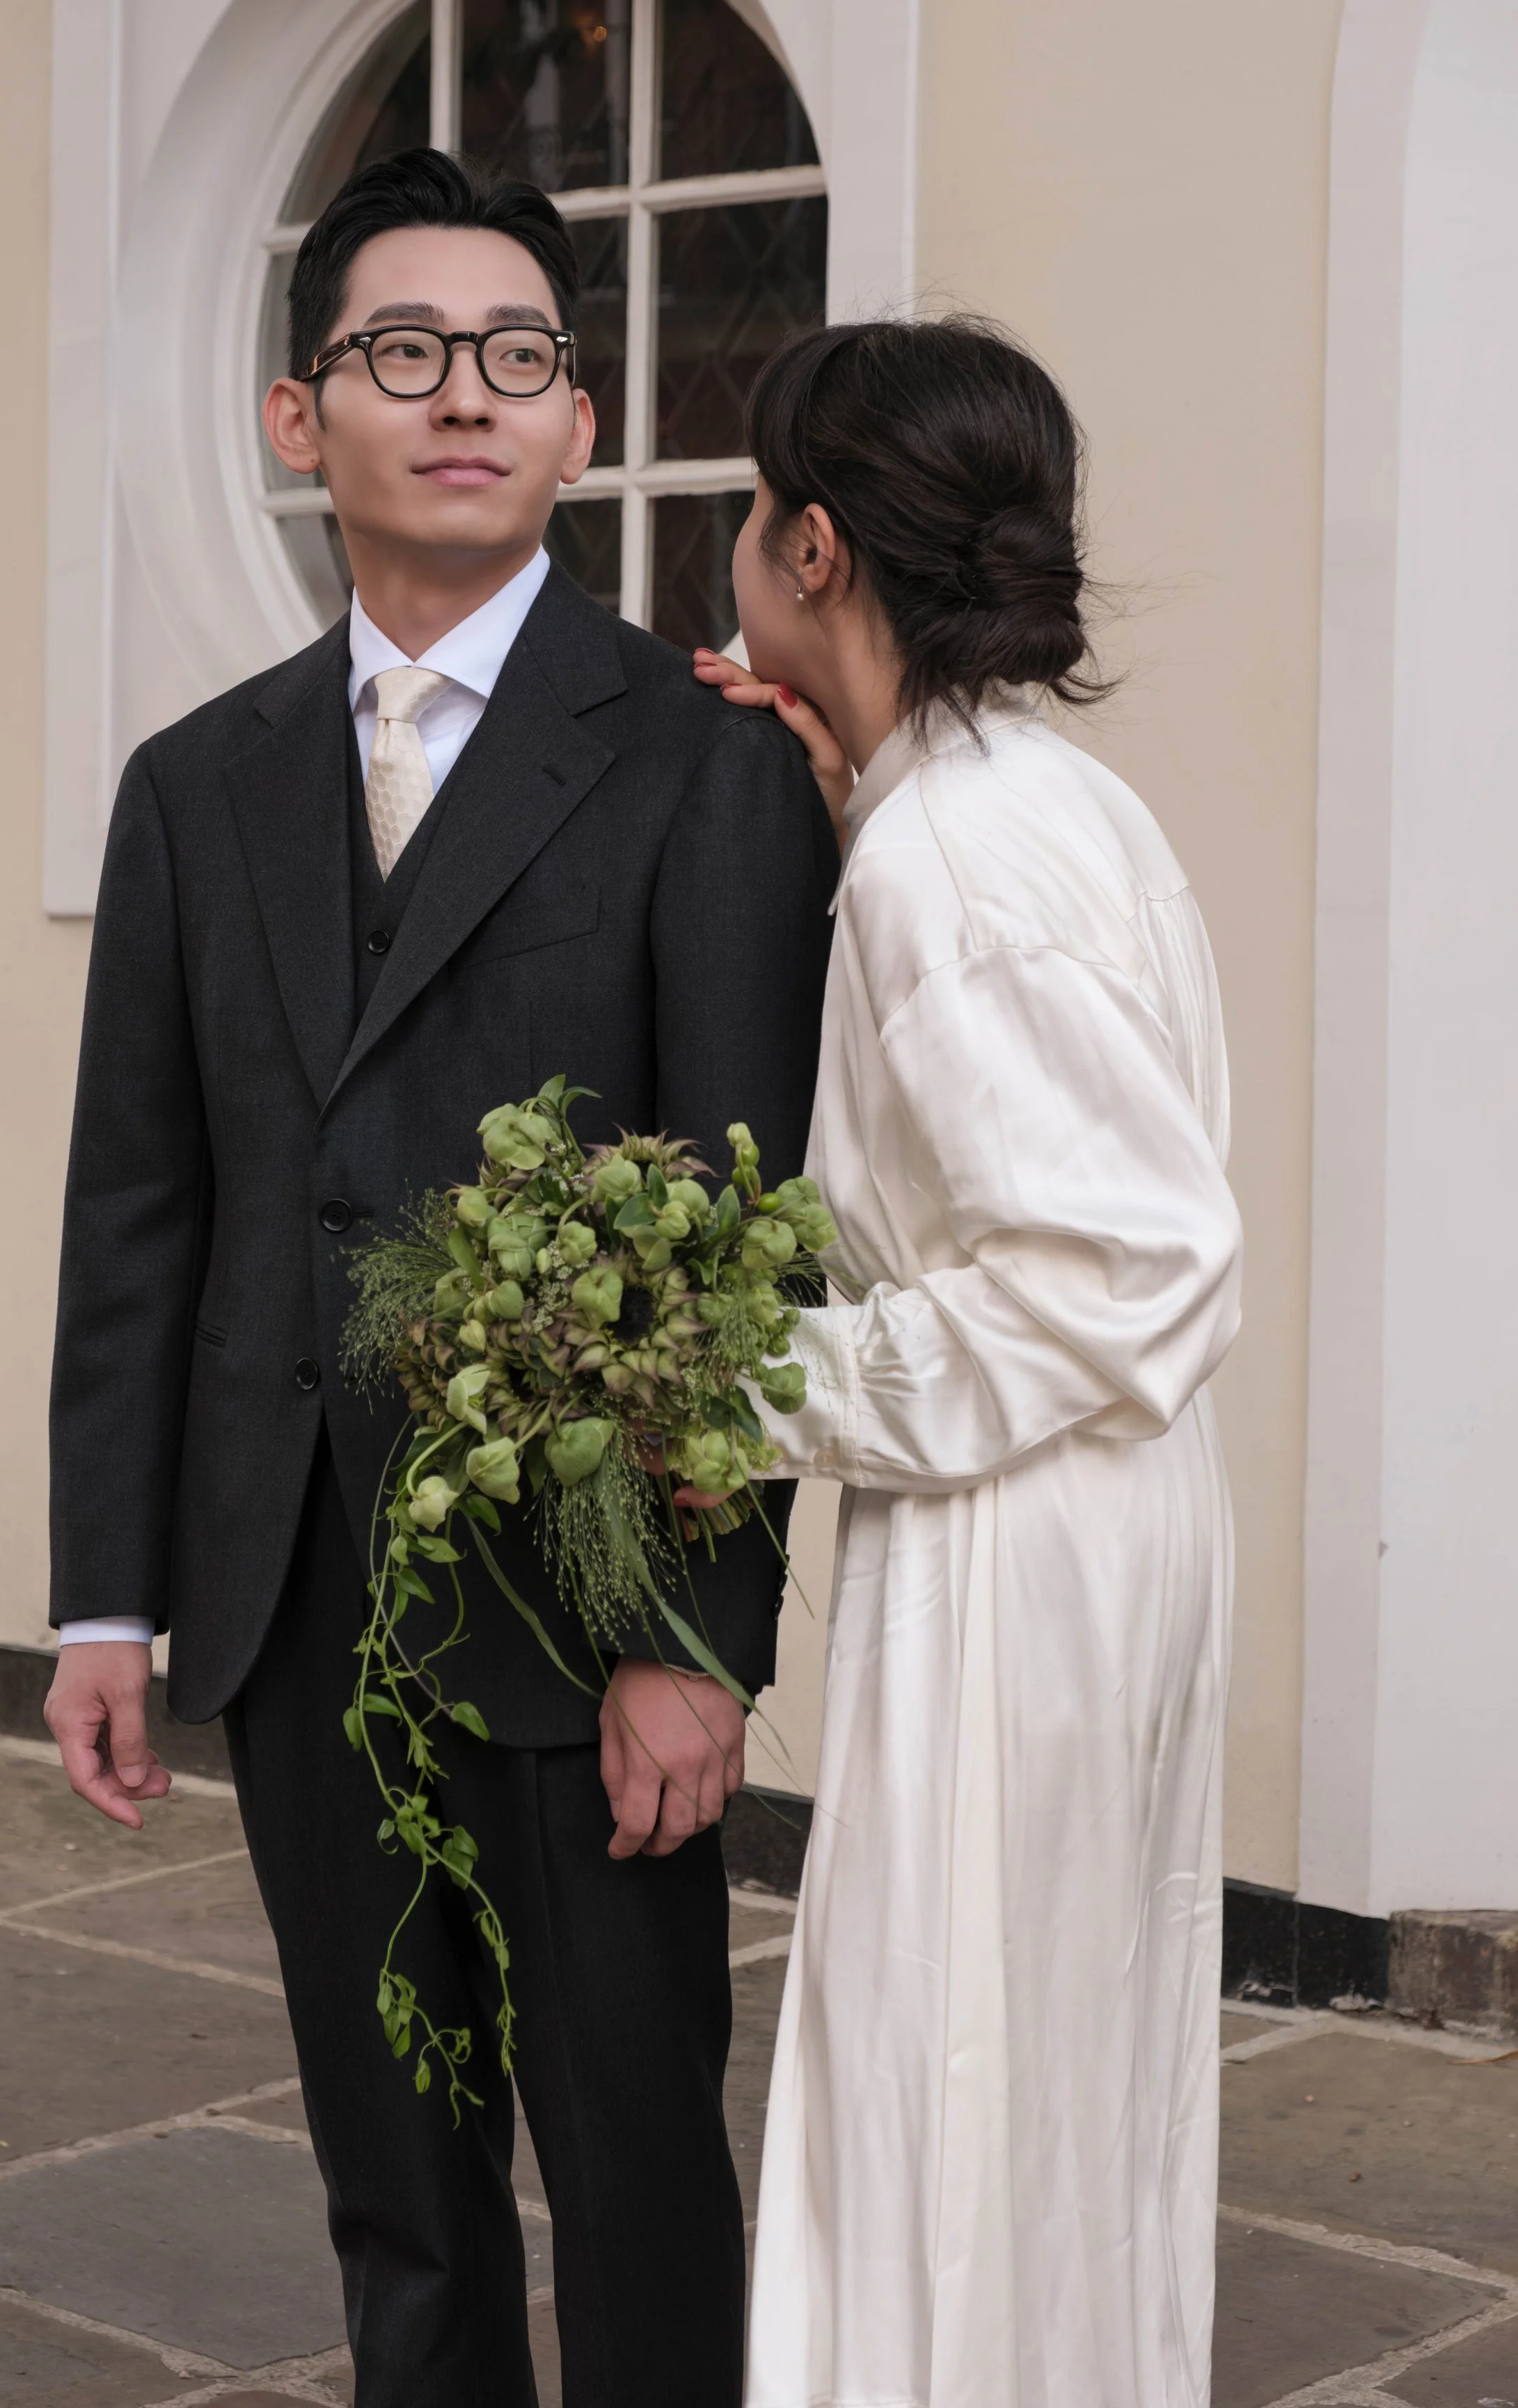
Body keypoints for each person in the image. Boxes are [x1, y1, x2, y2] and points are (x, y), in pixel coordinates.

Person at [42, 146, 837, 2408]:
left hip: (584, 1618)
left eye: (516, 356)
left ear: (582, 424)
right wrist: (112, 1595)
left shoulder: (703, 760)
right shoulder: (196, 787)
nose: (459, 395)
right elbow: (141, 1208)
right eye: (401, 352)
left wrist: (696, 1642)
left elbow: (743, 1228)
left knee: (635, 2179)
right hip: (293, 1593)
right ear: (307, 419)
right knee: (392, 2185)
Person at [691, 318, 1242, 2407]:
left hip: (1025, 1529)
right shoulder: (1027, 802)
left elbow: (1111, 1258)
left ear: (813, 550)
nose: (737, 554)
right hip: (1108, 1510)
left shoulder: (951, 858)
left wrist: (740, 1387)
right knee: (1055, 2077)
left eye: (749, 514)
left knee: (948, 2074)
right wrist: (848, 798)